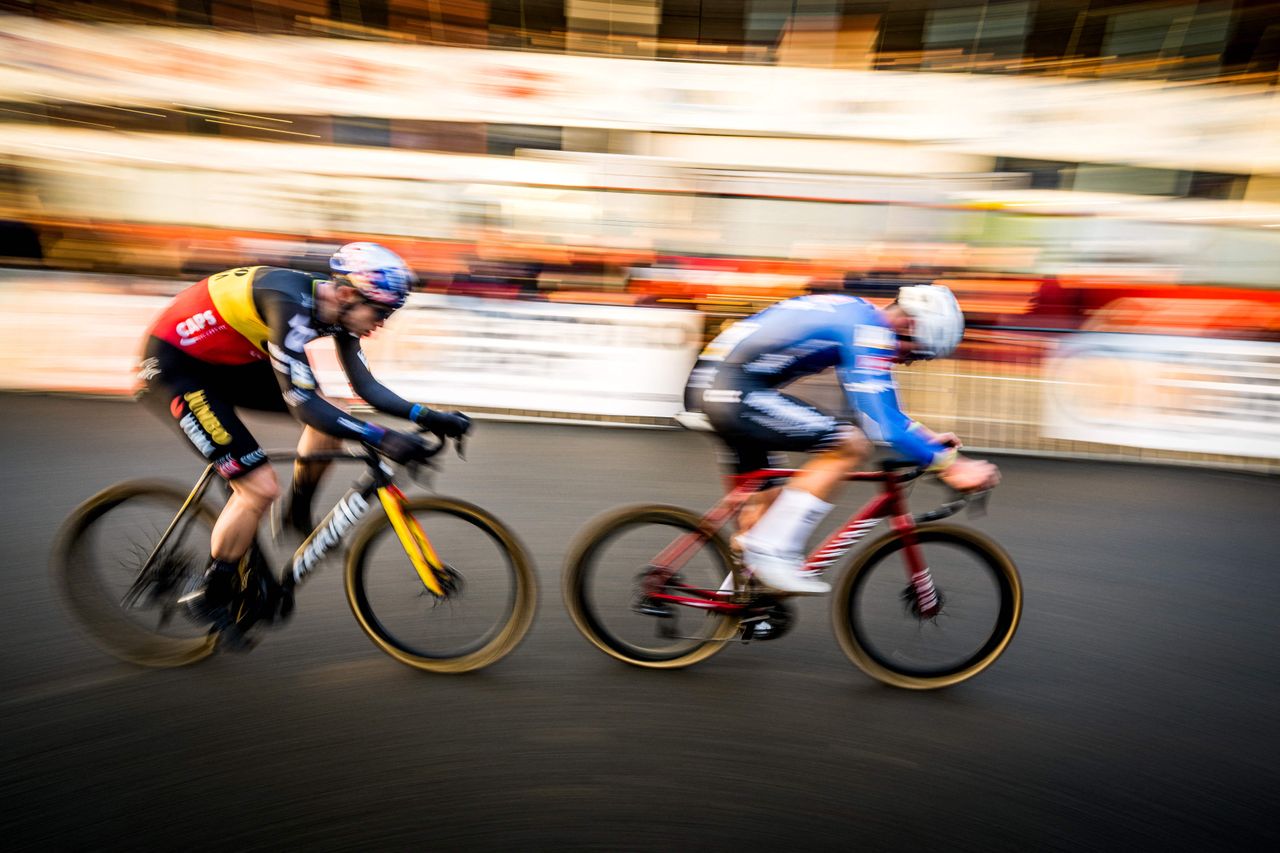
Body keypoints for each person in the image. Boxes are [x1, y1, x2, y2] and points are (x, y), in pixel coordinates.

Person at [136, 242, 471, 628]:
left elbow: (365, 386)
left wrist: (428, 415)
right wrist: (383, 437)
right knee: (259, 486)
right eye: (380, 311)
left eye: (389, 312)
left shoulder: (339, 310)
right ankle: (210, 590)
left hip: (230, 359)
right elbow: (302, 404)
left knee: (335, 414)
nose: (382, 321)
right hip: (177, 367)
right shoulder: (288, 302)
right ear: (347, 294)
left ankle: (296, 511)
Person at [683, 285, 999, 595]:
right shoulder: (869, 331)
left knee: (768, 512)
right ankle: (768, 552)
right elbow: (881, 424)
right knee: (849, 444)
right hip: (733, 392)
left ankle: (734, 602)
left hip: (715, 385)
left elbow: (877, 407)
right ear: (909, 325)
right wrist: (952, 466)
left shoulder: (857, 316)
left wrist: (928, 443)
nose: (909, 361)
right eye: (917, 352)